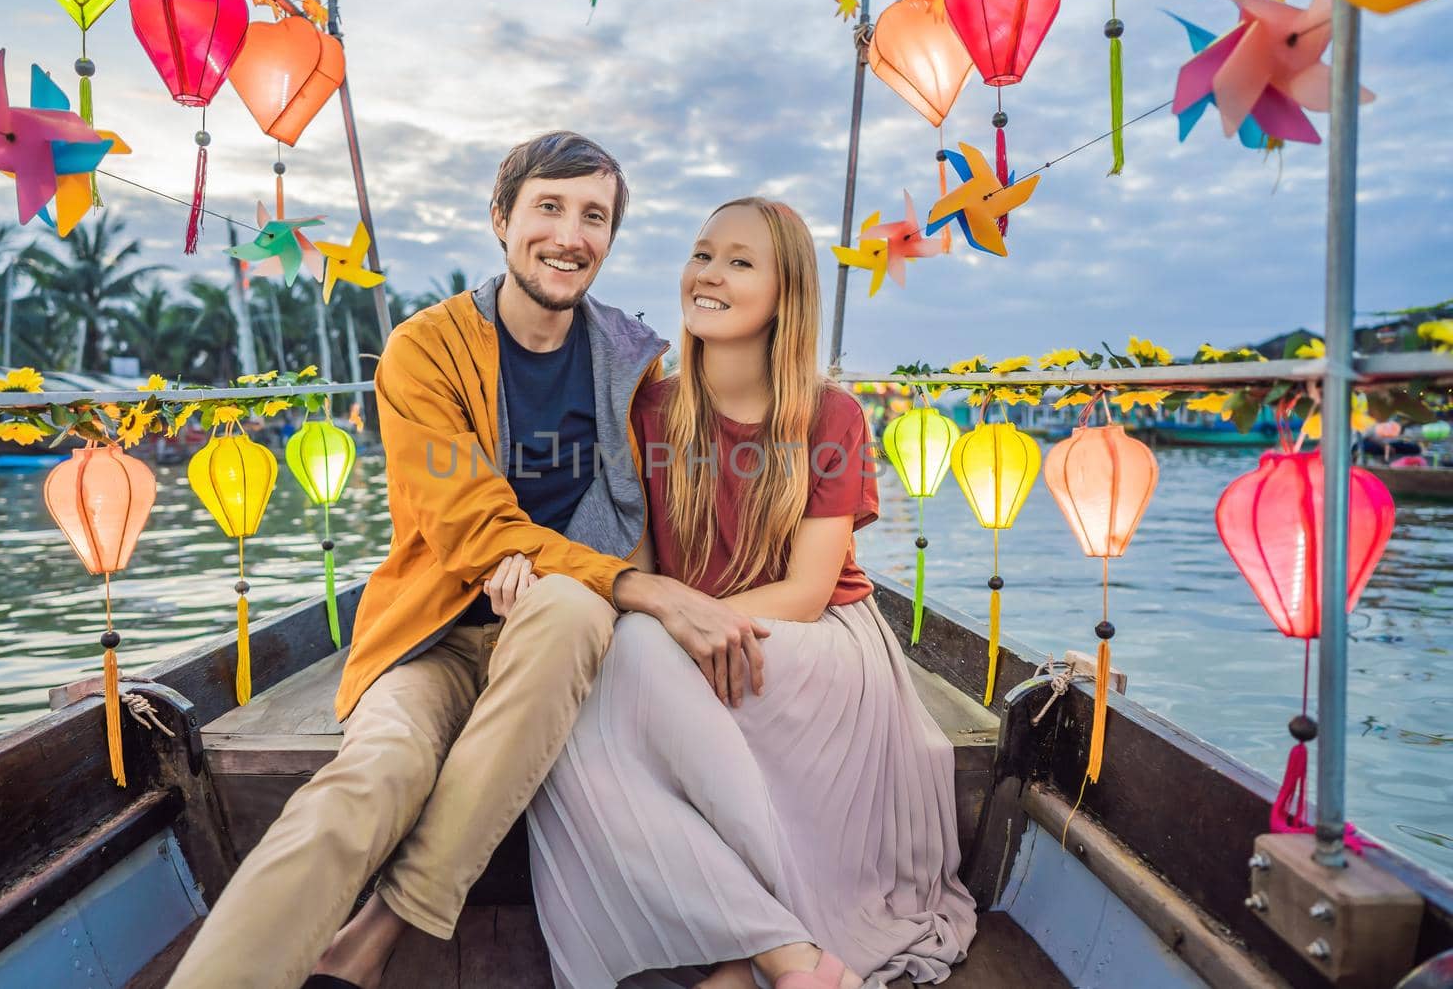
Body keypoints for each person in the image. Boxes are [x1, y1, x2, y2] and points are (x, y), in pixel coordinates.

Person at [168, 132, 772, 989]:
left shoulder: (633, 366)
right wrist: (624, 583)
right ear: (502, 220)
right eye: (550, 208)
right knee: (376, 773)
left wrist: (580, 575)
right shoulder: (425, 350)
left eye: (594, 216)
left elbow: (671, 497)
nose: (571, 234)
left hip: (566, 640)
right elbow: (467, 522)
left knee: (566, 609)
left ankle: (373, 935)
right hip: (437, 632)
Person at [502, 198, 977, 988]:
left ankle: (742, 952)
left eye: (739, 261)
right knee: (577, 700)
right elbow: (642, 571)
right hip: (684, 647)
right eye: (701, 253)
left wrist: (686, 616)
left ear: (785, 293)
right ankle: (763, 948)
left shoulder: (831, 414)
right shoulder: (649, 410)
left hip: (816, 644)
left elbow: (807, 588)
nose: (709, 274)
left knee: (641, 646)